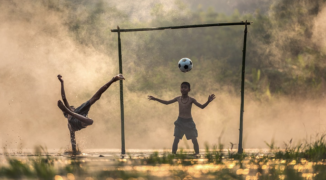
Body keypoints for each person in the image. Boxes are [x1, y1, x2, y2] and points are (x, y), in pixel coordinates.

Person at [57, 74, 125, 154]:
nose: (73, 107)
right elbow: (64, 98)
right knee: (89, 121)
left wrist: (113, 80)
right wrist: (62, 83)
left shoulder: (80, 109)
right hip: (74, 120)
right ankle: (69, 113)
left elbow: (97, 95)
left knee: (90, 118)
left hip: (78, 118)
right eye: (71, 108)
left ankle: (70, 113)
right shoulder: (72, 116)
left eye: (72, 107)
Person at [148, 82, 215, 155]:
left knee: (194, 140)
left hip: (189, 122)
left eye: (185, 87)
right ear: (180, 89)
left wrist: (208, 101)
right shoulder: (178, 98)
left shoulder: (191, 99)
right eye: (182, 87)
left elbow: (202, 106)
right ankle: (173, 155)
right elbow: (167, 102)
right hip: (180, 122)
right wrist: (155, 99)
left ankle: (197, 154)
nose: (183, 89)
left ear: (189, 89)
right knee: (176, 139)